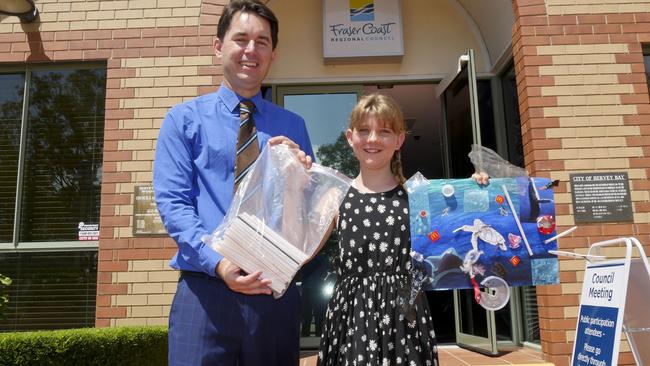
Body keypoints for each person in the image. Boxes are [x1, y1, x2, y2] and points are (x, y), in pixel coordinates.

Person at [153, 1, 313, 365]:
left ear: (273, 53)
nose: (250, 50)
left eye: (262, 41)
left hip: (273, 295)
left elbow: (305, 220)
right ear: (218, 46)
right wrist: (220, 264)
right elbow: (174, 205)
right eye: (240, 39)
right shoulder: (182, 121)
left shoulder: (294, 127)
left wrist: (300, 179)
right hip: (204, 293)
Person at [317, 93, 439, 365]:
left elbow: (463, 228)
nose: (372, 139)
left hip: (405, 317)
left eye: (384, 131)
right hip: (352, 316)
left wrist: (482, 190)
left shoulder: (417, 196)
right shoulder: (335, 197)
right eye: (364, 130)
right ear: (350, 138)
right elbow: (300, 248)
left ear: (399, 140)